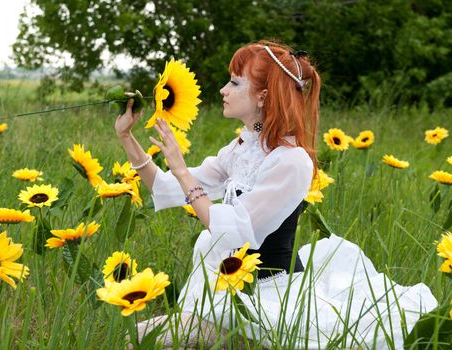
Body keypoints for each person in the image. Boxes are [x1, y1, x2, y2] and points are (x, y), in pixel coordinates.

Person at [114, 40, 437, 349]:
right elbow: (168, 187)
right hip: (229, 291)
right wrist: (126, 136)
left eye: (235, 83)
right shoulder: (244, 148)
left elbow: (232, 228)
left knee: (142, 340)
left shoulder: (291, 161)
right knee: (140, 340)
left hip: (268, 304)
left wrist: (182, 170)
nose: (223, 91)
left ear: (263, 97)